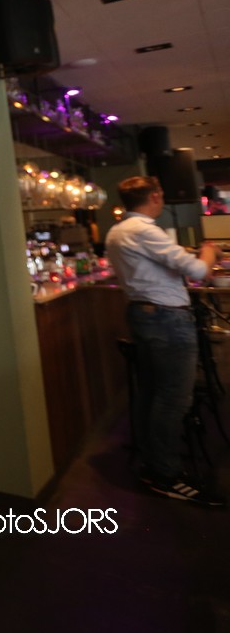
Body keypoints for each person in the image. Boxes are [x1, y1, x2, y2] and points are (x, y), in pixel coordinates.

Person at [104, 175, 224, 505]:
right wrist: (209, 252)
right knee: (173, 398)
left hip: (143, 314)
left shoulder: (117, 231)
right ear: (155, 196)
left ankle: (152, 462)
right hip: (166, 319)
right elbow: (198, 272)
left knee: (152, 394)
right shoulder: (144, 230)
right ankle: (165, 473)